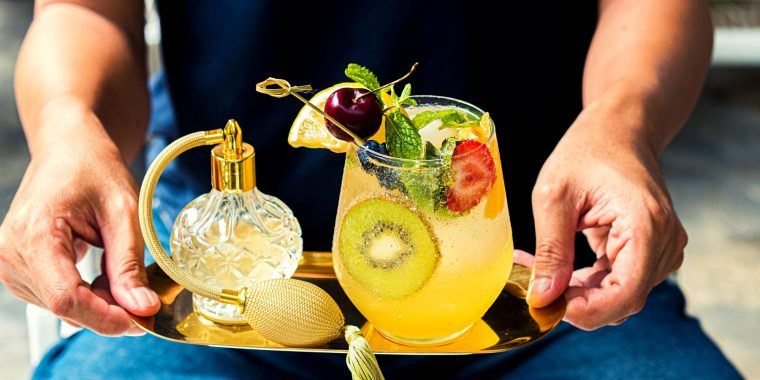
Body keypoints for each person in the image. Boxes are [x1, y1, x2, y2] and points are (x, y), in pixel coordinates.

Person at [0, 0, 741, 378]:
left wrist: (623, 126)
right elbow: (87, 9)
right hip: (232, 293)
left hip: (543, 290)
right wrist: (68, 129)